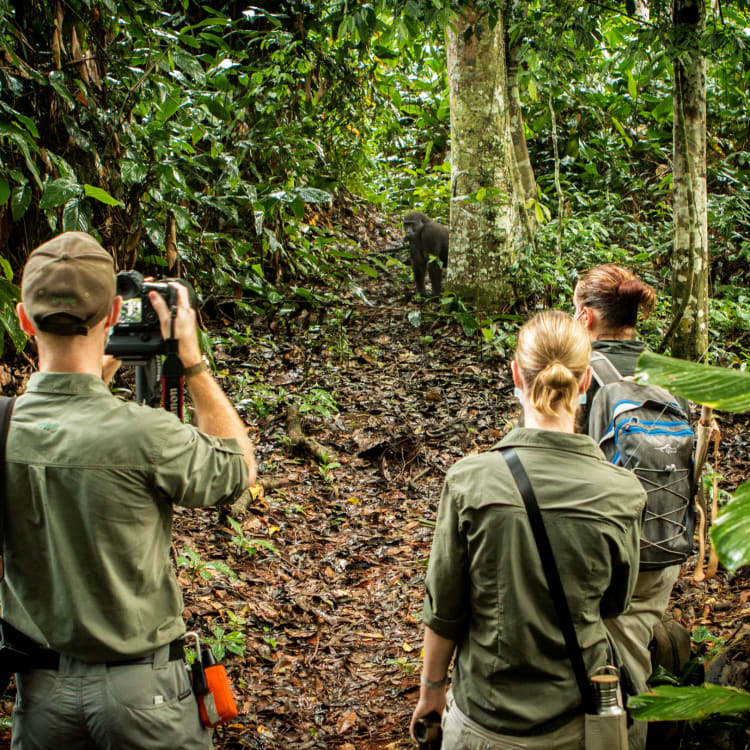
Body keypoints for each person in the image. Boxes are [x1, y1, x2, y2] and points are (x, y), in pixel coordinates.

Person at [3, 231, 256, 749]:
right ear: (116, 312)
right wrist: (193, 362)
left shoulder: (3, 426)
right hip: (144, 696)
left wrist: (97, 370)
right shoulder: (145, 434)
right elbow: (238, 469)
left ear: (23, 318)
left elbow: (61, 421)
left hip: (42, 693)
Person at [410, 310, 646, 749]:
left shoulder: (469, 481)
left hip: (485, 719)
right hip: (579, 719)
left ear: (516, 374)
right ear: (585, 381)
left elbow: (445, 608)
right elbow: (615, 602)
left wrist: (431, 692)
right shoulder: (622, 491)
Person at [573, 263, 685, 750]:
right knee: (633, 654)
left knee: (592, 667)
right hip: (663, 544)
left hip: (601, 552)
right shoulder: (670, 377)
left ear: (585, 317)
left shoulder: (579, 377)